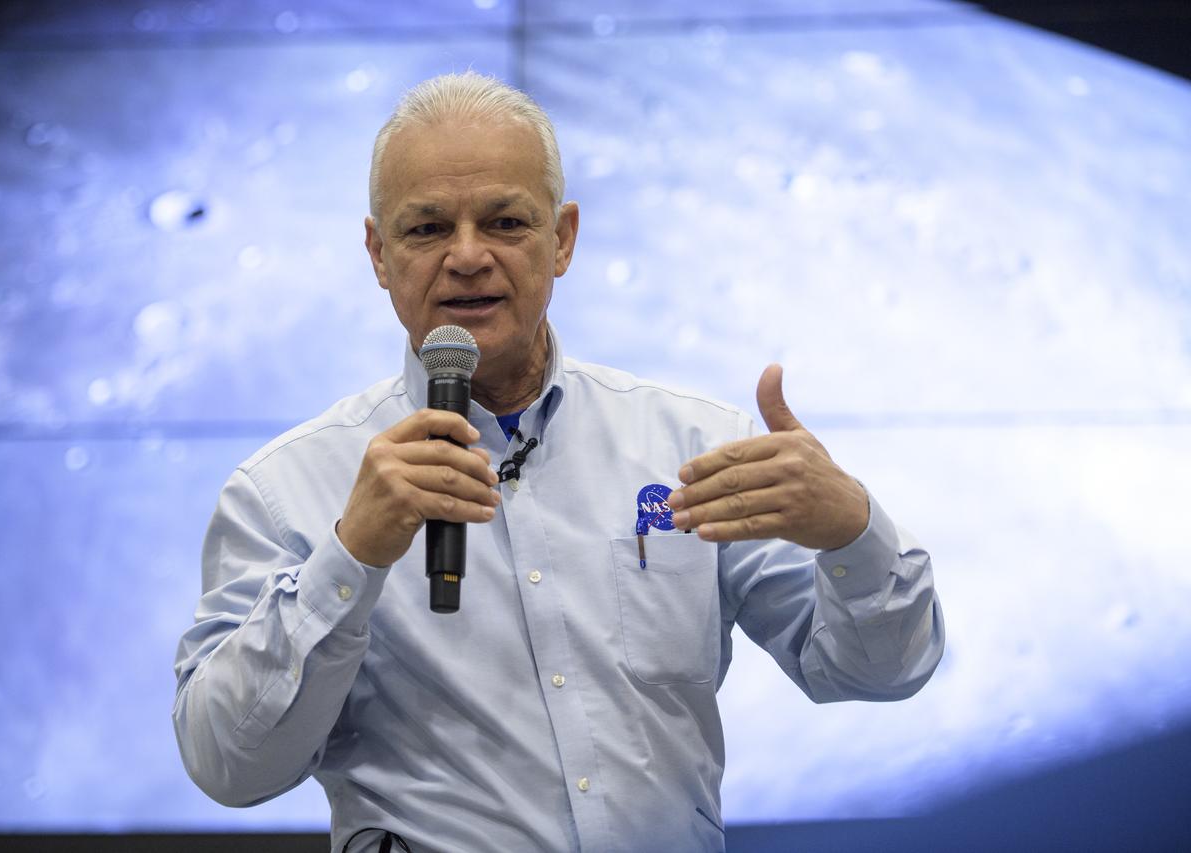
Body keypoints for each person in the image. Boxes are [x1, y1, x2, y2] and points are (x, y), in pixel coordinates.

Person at [173, 71, 944, 853]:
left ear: (563, 238)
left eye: (506, 221)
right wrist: (350, 556)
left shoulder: (689, 447)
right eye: (428, 228)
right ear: (378, 252)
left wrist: (851, 530)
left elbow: (881, 671)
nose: (468, 256)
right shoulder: (284, 490)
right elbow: (228, 765)